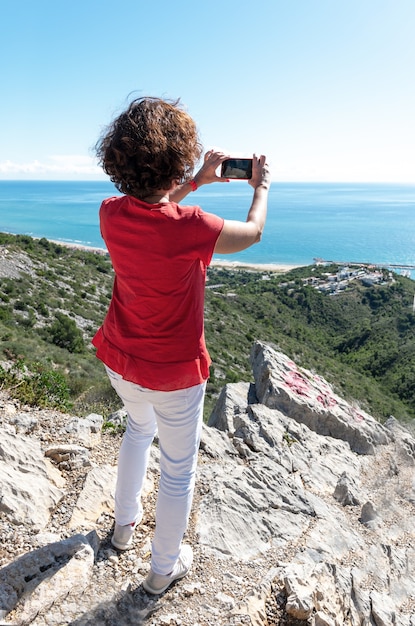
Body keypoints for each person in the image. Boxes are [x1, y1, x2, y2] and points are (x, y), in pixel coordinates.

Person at [92, 96, 270, 595]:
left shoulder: (110, 214)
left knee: (135, 430)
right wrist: (262, 187)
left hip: (121, 360)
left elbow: (152, 206)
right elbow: (253, 233)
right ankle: (161, 571)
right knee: (177, 470)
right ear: (177, 161)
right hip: (173, 373)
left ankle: (123, 530)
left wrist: (196, 181)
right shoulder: (192, 227)